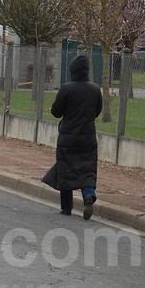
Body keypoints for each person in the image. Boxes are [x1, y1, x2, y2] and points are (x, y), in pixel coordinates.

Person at [41, 55, 102, 220]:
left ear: (73, 70)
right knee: (87, 169)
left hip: (68, 138)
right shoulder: (95, 89)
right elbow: (97, 111)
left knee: (66, 169)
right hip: (88, 138)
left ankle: (66, 207)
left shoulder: (66, 88)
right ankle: (88, 195)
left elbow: (56, 112)